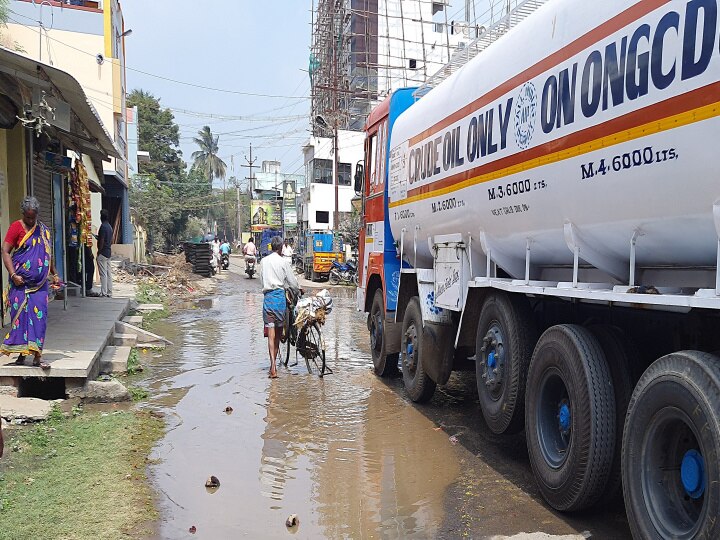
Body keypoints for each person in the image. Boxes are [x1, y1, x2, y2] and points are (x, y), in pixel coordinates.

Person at [1, 196, 59, 369]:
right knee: (20, 319)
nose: (31, 220)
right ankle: (21, 353)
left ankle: (37, 357)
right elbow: (5, 251)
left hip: (40, 285)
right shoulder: (15, 228)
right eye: (28, 217)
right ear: (23, 214)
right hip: (19, 284)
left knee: (39, 318)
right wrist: (13, 275)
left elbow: (48, 255)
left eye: (33, 217)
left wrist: (55, 274)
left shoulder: (43, 230)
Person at [261, 236, 300, 379]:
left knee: (270, 333)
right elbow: (292, 282)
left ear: (272, 247)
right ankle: (275, 364)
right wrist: (297, 290)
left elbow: (261, 280)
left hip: (268, 298)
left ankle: (272, 366)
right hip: (279, 299)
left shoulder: (264, 261)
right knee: (278, 333)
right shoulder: (284, 262)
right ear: (281, 248)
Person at [96, 209, 113, 298]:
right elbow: (110, 240)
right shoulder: (109, 227)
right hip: (108, 252)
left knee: (103, 274)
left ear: (101, 217)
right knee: (108, 273)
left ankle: (104, 292)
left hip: (103, 253)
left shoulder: (103, 227)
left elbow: (102, 240)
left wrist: (99, 251)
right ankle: (109, 292)